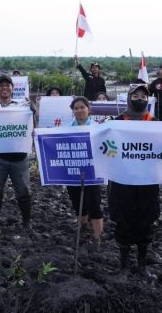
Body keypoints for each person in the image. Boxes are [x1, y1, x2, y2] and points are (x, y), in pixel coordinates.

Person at [108, 83, 162, 276]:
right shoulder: (117, 122)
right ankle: (123, 264)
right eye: (136, 95)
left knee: (146, 221)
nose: (140, 99)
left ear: (148, 99)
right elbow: (102, 142)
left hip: (148, 182)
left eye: (143, 96)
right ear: (129, 98)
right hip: (122, 183)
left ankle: (142, 264)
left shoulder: (156, 123)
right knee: (123, 221)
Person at [0, 75, 36, 228]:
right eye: (1, 85)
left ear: (12, 88)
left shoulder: (22, 107)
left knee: (23, 191)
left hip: (20, 157)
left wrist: (34, 112)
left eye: (7, 85)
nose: (4, 88)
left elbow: (31, 128)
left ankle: (27, 221)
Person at [66, 97, 103, 246]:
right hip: (73, 172)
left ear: (89, 109)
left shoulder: (98, 127)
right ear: (72, 111)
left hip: (92, 173)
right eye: (76, 108)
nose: (79, 110)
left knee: (94, 204)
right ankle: (83, 226)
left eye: (82, 107)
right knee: (77, 202)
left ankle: (97, 238)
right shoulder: (67, 128)